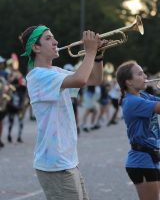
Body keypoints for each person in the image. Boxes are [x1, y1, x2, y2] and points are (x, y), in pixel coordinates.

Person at [19, 24, 107, 200]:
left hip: (67, 161)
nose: (55, 41)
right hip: (56, 164)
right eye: (48, 38)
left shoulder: (56, 71)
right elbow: (80, 80)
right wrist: (89, 51)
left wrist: (97, 56)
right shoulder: (37, 75)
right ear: (36, 47)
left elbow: (95, 79)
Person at [116, 60, 160, 200]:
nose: (145, 76)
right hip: (142, 161)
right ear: (129, 82)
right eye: (140, 74)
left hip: (150, 158)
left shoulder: (143, 96)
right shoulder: (132, 101)